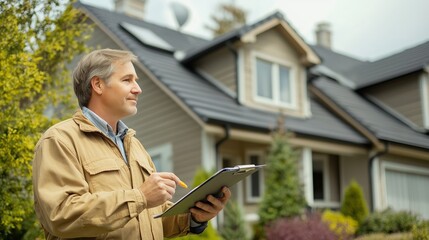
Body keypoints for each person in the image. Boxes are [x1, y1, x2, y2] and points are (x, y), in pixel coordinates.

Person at [32, 48, 231, 239]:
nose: (138, 89)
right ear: (98, 85)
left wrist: (194, 217)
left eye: (136, 81)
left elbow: (149, 219)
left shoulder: (135, 146)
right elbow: (62, 215)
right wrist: (140, 197)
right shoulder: (60, 140)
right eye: (127, 80)